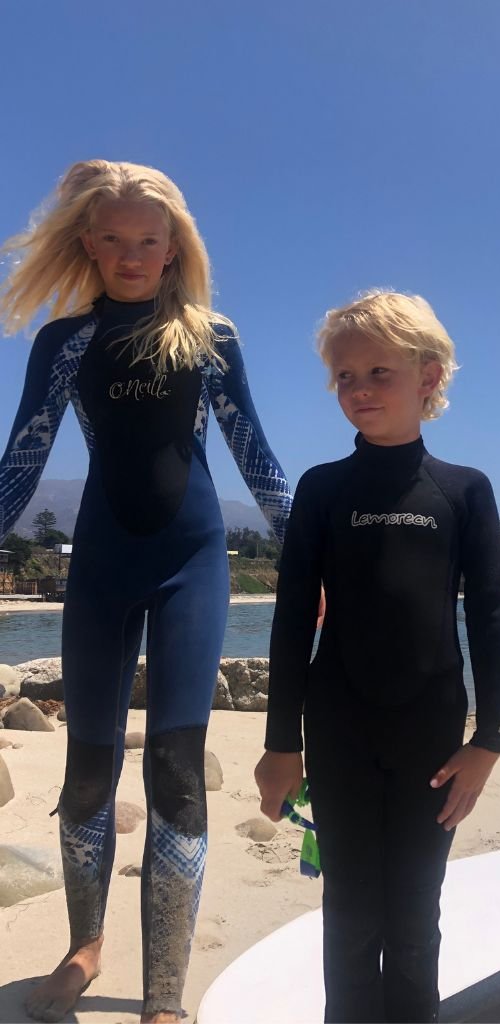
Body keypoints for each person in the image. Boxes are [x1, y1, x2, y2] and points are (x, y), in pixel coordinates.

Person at [0, 160, 292, 1024]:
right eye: (116, 240)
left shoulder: (211, 338)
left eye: (148, 241)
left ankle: (164, 993)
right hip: (99, 566)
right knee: (86, 774)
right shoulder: (65, 343)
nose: (132, 255)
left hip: (191, 564)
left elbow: (258, 460)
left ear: (174, 249)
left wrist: (313, 557)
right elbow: (23, 460)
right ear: (89, 243)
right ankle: (84, 947)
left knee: (176, 771)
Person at [255, 290, 500, 1023]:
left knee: (411, 911)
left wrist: (489, 741)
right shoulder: (322, 488)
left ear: (428, 377)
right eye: (344, 377)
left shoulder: (463, 491)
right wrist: (281, 746)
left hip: (431, 732)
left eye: (378, 372)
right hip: (337, 724)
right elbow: (289, 619)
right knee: (347, 910)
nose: (358, 390)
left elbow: (491, 617)